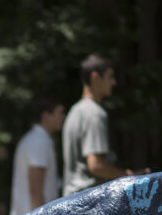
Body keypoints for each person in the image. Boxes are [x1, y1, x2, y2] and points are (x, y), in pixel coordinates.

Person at [61, 54, 149, 196]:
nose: (114, 82)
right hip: (86, 204)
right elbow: (96, 165)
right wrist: (128, 176)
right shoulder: (94, 113)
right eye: (110, 77)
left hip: (71, 202)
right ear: (95, 78)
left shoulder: (74, 111)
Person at [9, 94, 65, 215]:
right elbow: (36, 191)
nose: (63, 117)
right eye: (59, 113)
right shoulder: (39, 141)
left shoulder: (38, 139)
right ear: (46, 116)